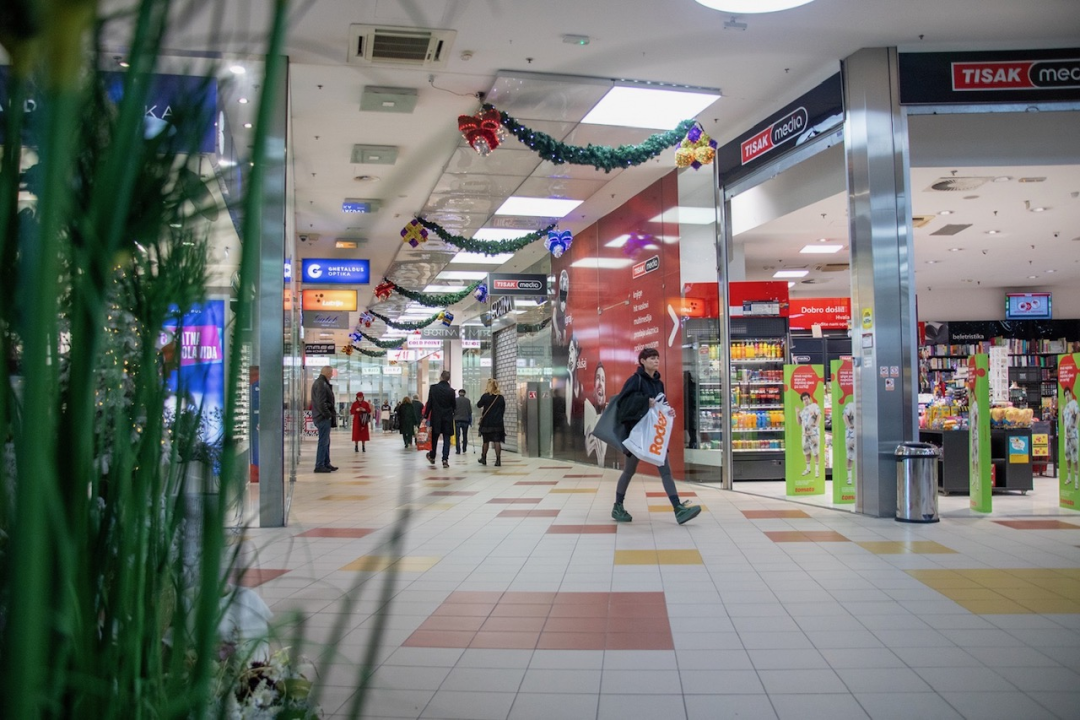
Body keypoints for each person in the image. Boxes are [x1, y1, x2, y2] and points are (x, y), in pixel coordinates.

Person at [611, 347, 699, 525]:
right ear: (642, 361)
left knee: (665, 469)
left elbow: (661, 402)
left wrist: (668, 410)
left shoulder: (659, 383)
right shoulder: (634, 381)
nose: (656, 361)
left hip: (654, 434)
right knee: (629, 471)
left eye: (657, 358)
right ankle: (618, 506)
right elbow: (623, 404)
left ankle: (678, 508)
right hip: (636, 435)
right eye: (651, 358)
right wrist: (645, 402)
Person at [424, 370, 456, 468]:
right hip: (447, 418)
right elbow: (454, 406)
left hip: (436, 417)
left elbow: (429, 403)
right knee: (446, 439)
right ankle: (445, 459)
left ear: (441, 377)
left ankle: (432, 456)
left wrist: (425, 416)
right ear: (448, 379)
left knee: (434, 438)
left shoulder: (433, 388)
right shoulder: (451, 391)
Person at [310, 366, 338, 473]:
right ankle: (320, 464)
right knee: (323, 441)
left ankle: (326, 463)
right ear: (327, 373)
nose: (332, 375)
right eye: (331, 373)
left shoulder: (322, 383)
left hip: (321, 416)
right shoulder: (321, 384)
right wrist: (328, 414)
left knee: (326, 440)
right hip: (322, 417)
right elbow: (321, 402)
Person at [476, 378, 506, 467]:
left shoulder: (485, 396)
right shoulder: (500, 397)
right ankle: (498, 460)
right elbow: (502, 410)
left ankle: (484, 458)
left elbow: (478, 405)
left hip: (486, 423)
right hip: (498, 423)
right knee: (497, 441)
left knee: (486, 441)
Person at [797, 391, 822, 478]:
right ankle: (808, 469)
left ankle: (817, 470)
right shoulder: (803, 411)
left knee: (815, 451)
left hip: (813, 433)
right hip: (805, 435)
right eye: (804, 399)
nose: (806, 400)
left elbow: (819, 415)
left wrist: (816, 423)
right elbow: (799, 423)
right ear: (802, 401)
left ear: (809, 398)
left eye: (807, 398)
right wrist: (797, 413)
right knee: (806, 451)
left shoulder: (814, 406)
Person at [1063, 385, 1078, 490]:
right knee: (1067, 455)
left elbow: (1078, 415)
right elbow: (1063, 422)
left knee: (1075, 457)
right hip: (1066, 436)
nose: (1067, 396)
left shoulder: (1074, 403)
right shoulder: (1066, 407)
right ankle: (1069, 477)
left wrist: (1075, 426)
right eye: (1065, 395)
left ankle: (1077, 481)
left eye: (1068, 394)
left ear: (1071, 394)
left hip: (1073, 435)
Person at [454, 388, 472, 454]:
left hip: (457, 420)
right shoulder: (468, 401)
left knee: (457, 436)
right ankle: (464, 449)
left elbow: (453, 410)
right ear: (465, 393)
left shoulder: (455, 400)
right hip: (465, 420)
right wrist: (470, 420)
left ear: (459, 393)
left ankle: (458, 450)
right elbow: (470, 411)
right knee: (465, 435)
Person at [842, 399, 856, 485]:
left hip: (862, 434)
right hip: (851, 435)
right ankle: (849, 477)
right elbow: (844, 415)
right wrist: (849, 425)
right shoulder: (851, 405)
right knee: (850, 456)